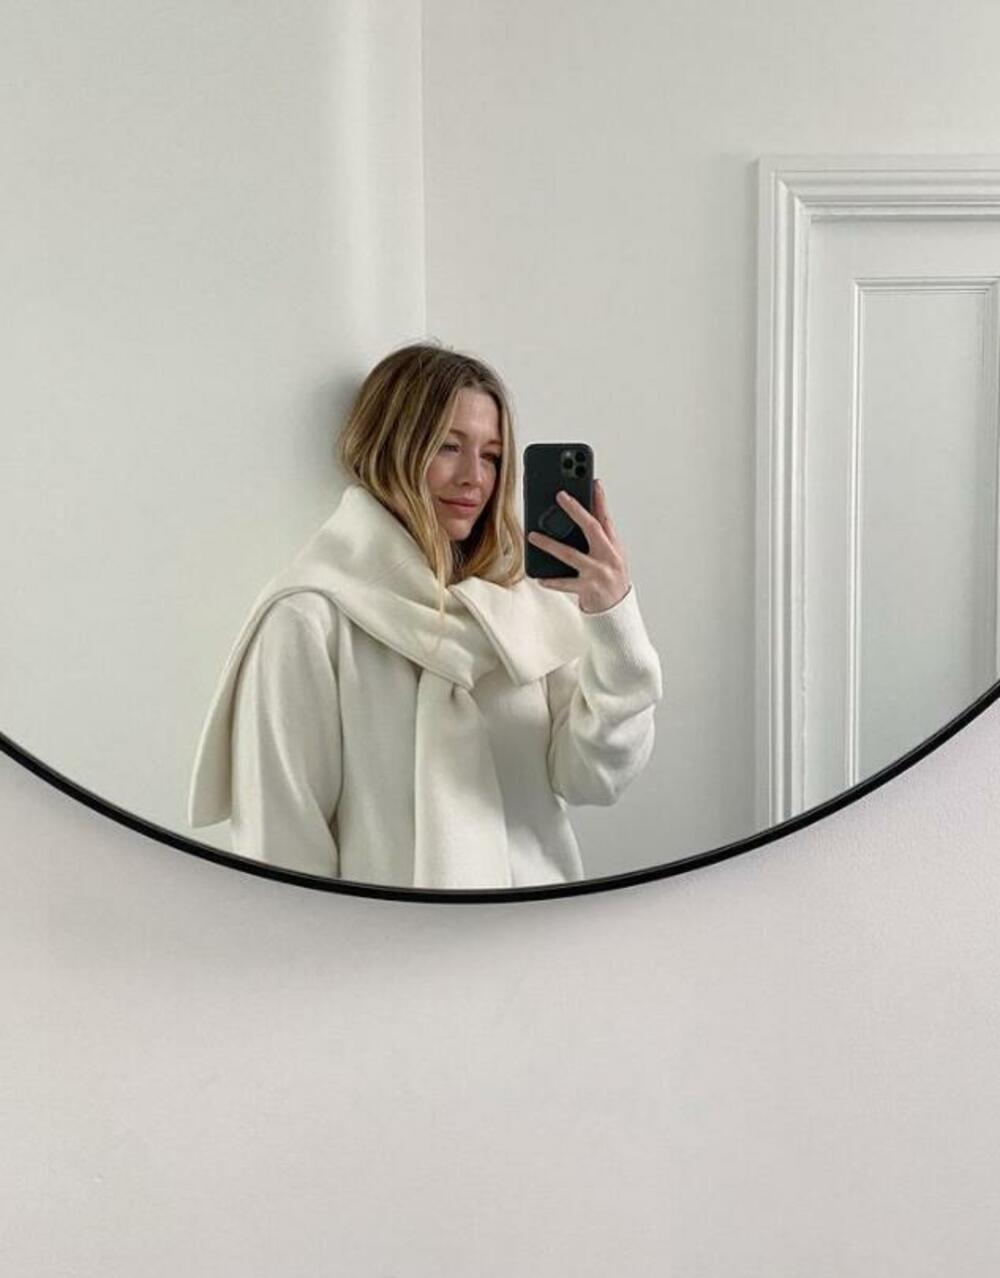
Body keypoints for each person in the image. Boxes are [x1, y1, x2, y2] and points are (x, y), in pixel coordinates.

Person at [187, 342, 662, 889]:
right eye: (448, 446)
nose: (474, 478)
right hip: (388, 942)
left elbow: (594, 778)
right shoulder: (310, 619)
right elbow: (283, 848)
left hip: (536, 931)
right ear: (390, 447)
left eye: (492, 456)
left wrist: (612, 618)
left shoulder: (526, 607)